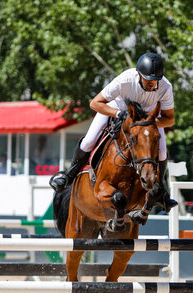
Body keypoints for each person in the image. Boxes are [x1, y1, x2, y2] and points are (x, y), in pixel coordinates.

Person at [49, 52, 177, 211]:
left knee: (162, 152)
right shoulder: (125, 80)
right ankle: (68, 175)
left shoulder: (165, 87)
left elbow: (169, 119)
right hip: (117, 110)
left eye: (155, 81)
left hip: (148, 119)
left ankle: (160, 190)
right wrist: (117, 114)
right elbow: (95, 103)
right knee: (89, 140)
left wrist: (148, 123)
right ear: (139, 75)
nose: (153, 85)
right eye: (148, 80)